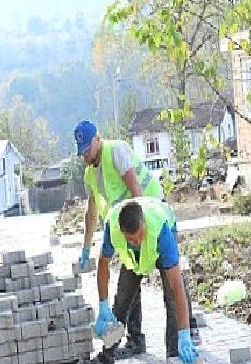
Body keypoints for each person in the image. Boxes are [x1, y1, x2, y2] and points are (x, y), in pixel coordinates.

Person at [73, 119, 164, 354]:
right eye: (81, 152)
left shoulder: (116, 150)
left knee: (164, 269)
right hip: (123, 225)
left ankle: (186, 329)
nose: (85, 156)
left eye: (88, 150)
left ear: (97, 139)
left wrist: (141, 230)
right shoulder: (90, 174)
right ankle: (134, 339)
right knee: (129, 276)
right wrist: (85, 248)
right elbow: (91, 213)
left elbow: (136, 191)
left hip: (150, 214)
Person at [94, 197, 198, 364]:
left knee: (171, 300)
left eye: (140, 235)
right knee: (121, 303)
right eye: (131, 239)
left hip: (159, 243)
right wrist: (102, 305)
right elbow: (103, 264)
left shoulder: (161, 229)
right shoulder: (112, 227)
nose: (137, 241)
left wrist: (185, 333)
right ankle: (106, 356)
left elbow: (177, 286)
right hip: (134, 260)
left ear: (143, 224)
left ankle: (174, 355)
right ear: (122, 232)